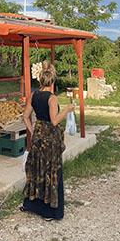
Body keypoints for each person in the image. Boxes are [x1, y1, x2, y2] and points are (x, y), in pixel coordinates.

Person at [21, 61, 75, 220]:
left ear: (39, 81)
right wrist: (67, 109)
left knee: (36, 170)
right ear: (52, 82)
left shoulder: (33, 96)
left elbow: (25, 117)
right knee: (51, 172)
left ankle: (31, 205)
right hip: (50, 139)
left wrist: (33, 132)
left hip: (38, 137)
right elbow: (54, 120)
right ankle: (50, 211)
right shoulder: (52, 98)